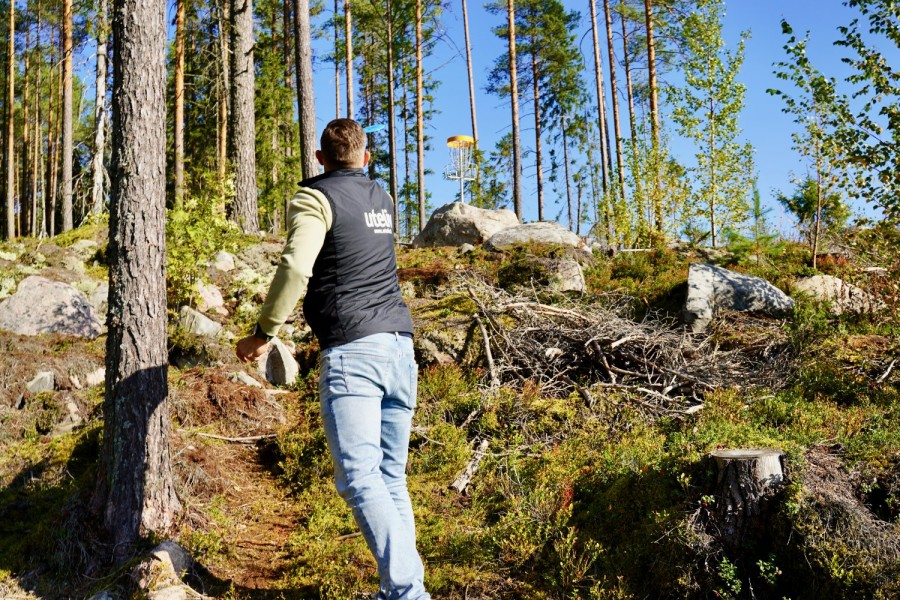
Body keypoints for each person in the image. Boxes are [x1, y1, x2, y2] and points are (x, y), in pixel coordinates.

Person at [236, 119, 430, 600]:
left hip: (355, 351)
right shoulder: (382, 200)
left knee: (362, 479)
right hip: (401, 348)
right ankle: (402, 590)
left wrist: (265, 332)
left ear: (320, 159)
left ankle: (408, 594)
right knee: (390, 478)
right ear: (366, 158)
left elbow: (297, 264)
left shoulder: (315, 198)